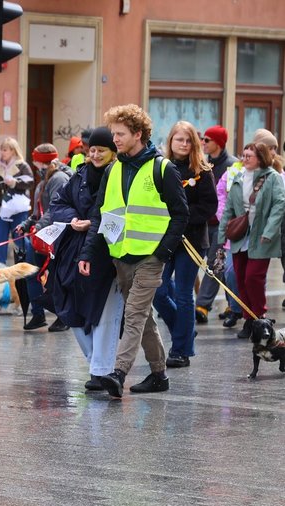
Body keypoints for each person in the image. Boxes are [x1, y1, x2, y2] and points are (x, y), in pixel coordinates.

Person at [79, 104, 189, 398]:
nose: (114, 139)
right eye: (114, 133)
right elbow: (101, 214)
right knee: (144, 318)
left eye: (120, 133)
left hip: (151, 257)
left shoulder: (162, 168)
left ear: (138, 134)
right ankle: (159, 374)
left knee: (134, 315)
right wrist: (88, 254)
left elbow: (181, 214)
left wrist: (163, 252)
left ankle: (118, 372)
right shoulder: (113, 169)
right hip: (122, 257)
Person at [47, 127, 122, 390]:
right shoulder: (79, 176)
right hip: (73, 251)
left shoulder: (119, 176)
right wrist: (73, 219)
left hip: (106, 252)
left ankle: (102, 370)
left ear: (113, 152)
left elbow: (114, 214)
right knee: (68, 307)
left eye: (101, 150)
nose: (96, 155)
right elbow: (58, 203)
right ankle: (97, 365)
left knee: (104, 312)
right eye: (92, 150)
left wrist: (92, 223)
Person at [152, 121, 217, 368]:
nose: (184, 144)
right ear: (170, 141)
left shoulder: (202, 170)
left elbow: (209, 206)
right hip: (166, 238)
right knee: (158, 291)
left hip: (191, 239)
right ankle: (184, 330)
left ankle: (181, 349)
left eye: (189, 140)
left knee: (183, 293)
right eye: (179, 139)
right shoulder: (160, 167)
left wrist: (183, 217)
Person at [217, 141, 285, 339]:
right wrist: (222, 235)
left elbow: (279, 205)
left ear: (261, 158)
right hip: (240, 237)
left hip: (262, 237)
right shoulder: (238, 177)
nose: (244, 158)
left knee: (253, 277)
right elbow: (229, 207)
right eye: (243, 154)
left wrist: (270, 231)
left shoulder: (272, 177)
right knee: (239, 279)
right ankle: (249, 319)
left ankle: (259, 316)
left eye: (249, 155)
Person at [15, 143, 73, 331]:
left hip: (56, 236)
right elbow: (38, 213)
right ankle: (38, 314)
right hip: (41, 236)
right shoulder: (42, 183)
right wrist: (27, 225)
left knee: (55, 278)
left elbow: (56, 209)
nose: (34, 164)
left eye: (36, 161)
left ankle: (63, 316)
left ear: (41, 162)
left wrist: (38, 226)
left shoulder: (59, 179)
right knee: (32, 274)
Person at [195, 125, 235, 323]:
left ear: (218, 143)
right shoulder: (202, 164)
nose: (203, 143)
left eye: (207, 140)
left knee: (216, 265)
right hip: (203, 225)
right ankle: (232, 305)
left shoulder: (232, 166)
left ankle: (202, 305)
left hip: (222, 228)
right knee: (216, 266)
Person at [0, 137, 34, 266]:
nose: (2, 152)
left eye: (5, 150)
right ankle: (1, 265)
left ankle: (26, 262)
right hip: (4, 209)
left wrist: (15, 183)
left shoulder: (22, 165)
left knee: (19, 239)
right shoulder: (1, 167)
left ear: (13, 150)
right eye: (1, 150)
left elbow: (30, 182)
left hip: (19, 208)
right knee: (0, 237)